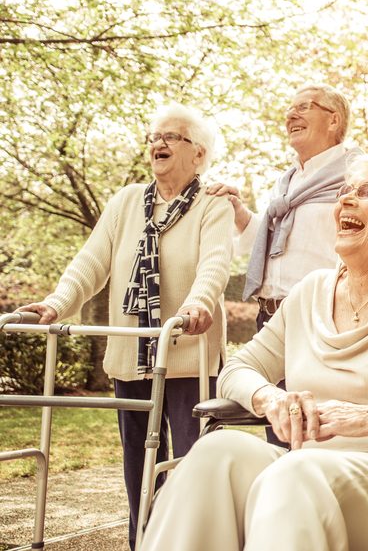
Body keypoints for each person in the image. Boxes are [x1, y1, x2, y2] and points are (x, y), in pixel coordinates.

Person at [142, 153, 368, 551]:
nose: (346, 201)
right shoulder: (310, 290)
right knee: (217, 451)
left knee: (295, 473)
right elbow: (239, 368)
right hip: (306, 469)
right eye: (344, 192)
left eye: (367, 191)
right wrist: (273, 400)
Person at [17, 103, 233, 550]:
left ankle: (191, 541)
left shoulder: (213, 204)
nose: (158, 143)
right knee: (137, 459)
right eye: (154, 135)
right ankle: (143, 540)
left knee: (191, 459)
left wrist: (196, 306)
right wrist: (57, 304)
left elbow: (214, 265)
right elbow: (91, 263)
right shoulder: (127, 201)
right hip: (131, 350)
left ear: (199, 154)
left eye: (172, 136)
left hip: (186, 350)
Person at [207, 83, 360, 447]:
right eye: (290, 108)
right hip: (272, 317)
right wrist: (240, 212)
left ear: (334, 119)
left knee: (318, 431)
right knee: (279, 424)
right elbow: (280, 241)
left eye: (304, 107)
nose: (291, 115)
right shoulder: (288, 181)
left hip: (322, 319)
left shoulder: (355, 173)